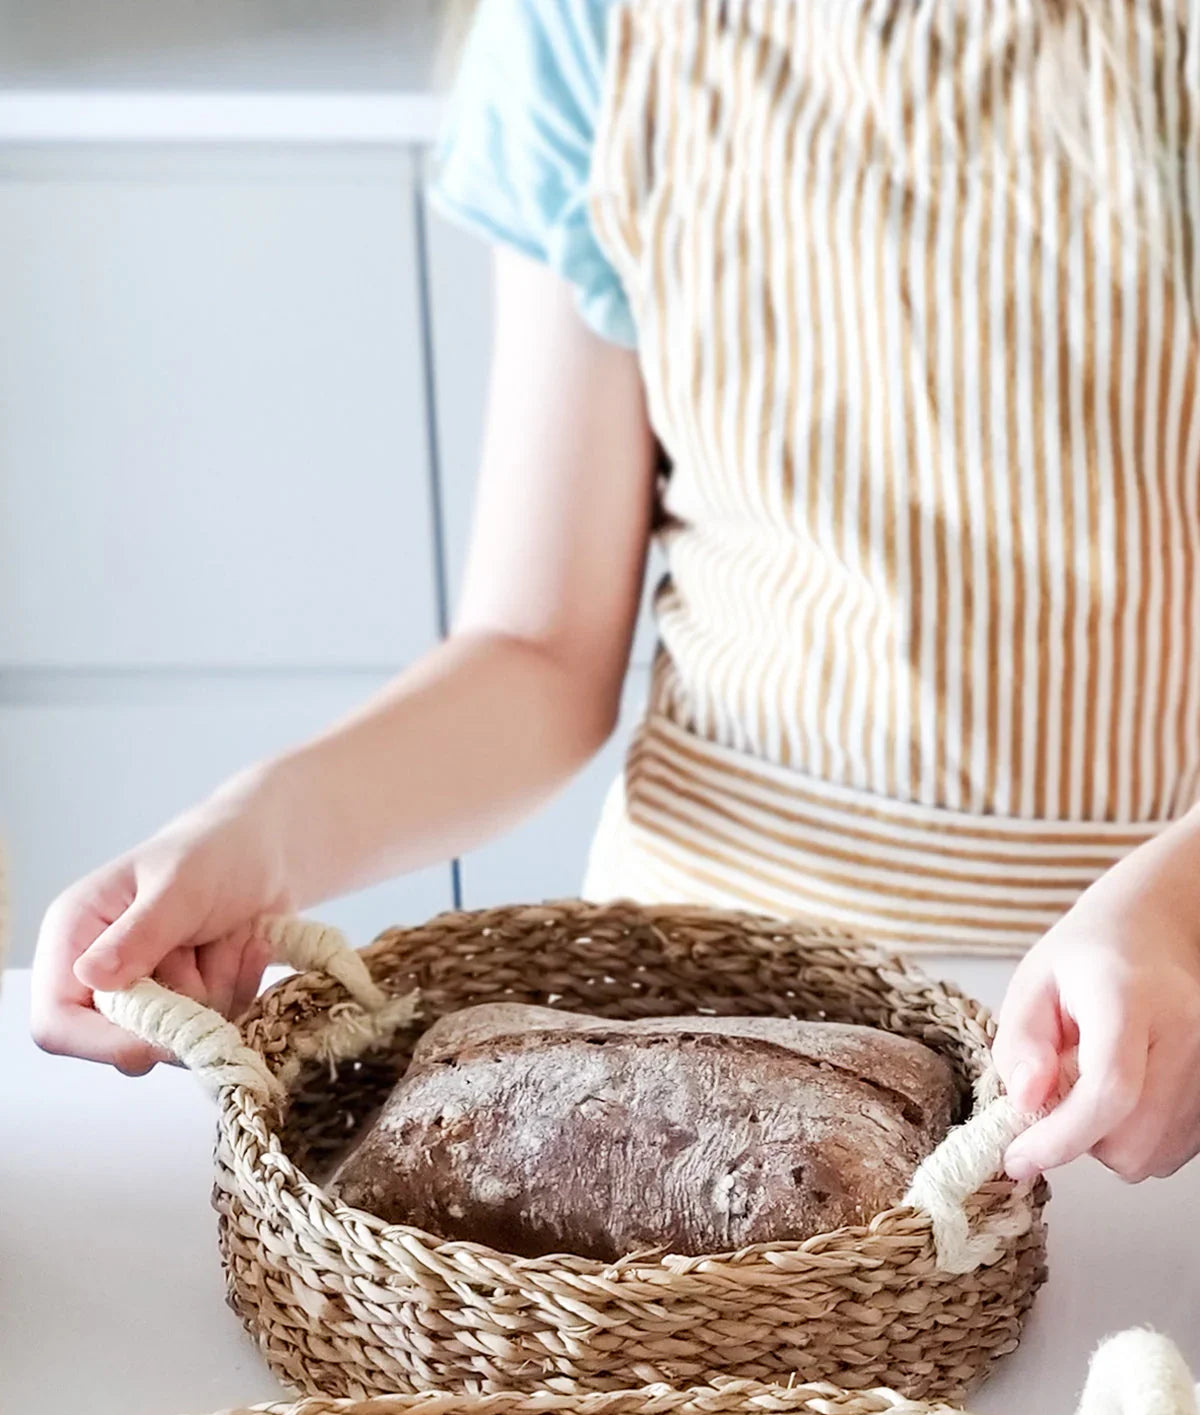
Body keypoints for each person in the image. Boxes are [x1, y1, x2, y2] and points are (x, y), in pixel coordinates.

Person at [31, 0, 1200, 1188]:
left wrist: (1183, 914)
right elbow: (538, 649)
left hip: (1139, 1038)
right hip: (697, 1023)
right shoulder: (591, 30)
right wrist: (250, 837)